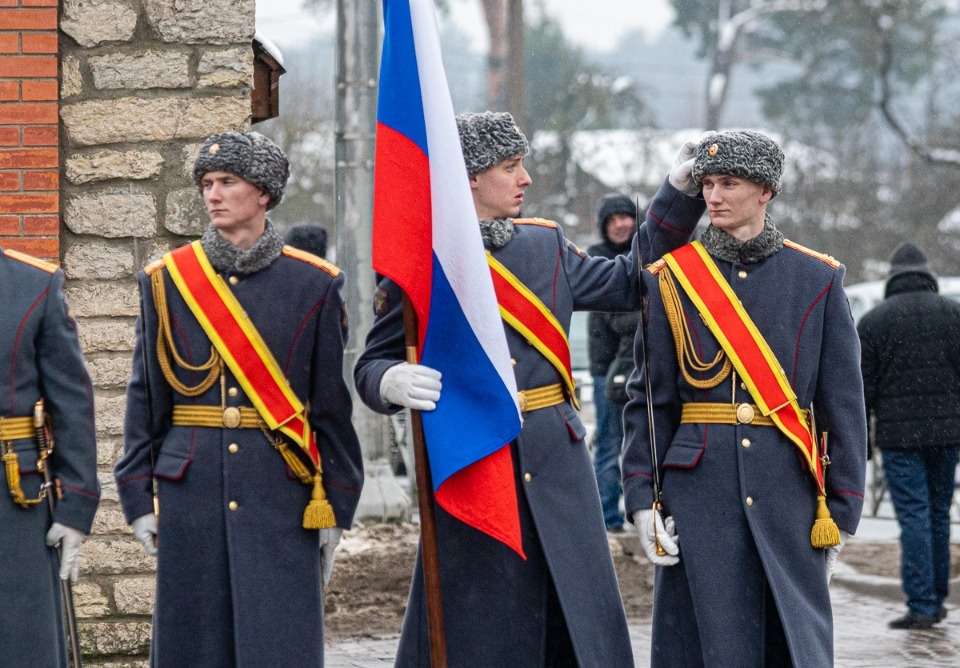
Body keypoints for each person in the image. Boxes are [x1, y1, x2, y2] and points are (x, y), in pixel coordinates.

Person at [355, 111, 707, 666]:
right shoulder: (421, 258)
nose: (525, 178)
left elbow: (631, 280)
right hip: (474, 459)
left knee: (576, 614)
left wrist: (678, 197)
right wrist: (389, 380)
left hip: (555, 456)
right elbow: (372, 364)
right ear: (471, 176)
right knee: (480, 622)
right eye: (510, 166)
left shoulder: (546, 245)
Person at [114, 131, 364, 666]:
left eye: (227, 182)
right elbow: (146, 398)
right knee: (193, 647)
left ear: (264, 193)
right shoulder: (168, 281)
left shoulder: (313, 284)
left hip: (281, 491)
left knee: (278, 644)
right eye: (207, 183)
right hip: (191, 492)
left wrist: (338, 504)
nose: (213, 194)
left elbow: (329, 407)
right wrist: (137, 494)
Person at [621, 130, 868, 666]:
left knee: (790, 645)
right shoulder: (672, 278)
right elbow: (650, 401)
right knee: (706, 646)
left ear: (765, 191)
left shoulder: (817, 279)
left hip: (788, 491)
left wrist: (842, 512)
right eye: (708, 184)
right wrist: (641, 497)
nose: (713, 197)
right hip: (699, 493)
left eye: (729, 183)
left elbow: (843, 405)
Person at [0, 248, 99, 666]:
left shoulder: (33, 285)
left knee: (20, 642)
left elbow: (71, 402)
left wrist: (76, 506)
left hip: (13, 497)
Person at [857, 242, 960, 630]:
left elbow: (862, 390)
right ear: (927, 273)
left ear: (892, 276)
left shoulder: (874, 322)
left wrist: (862, 444)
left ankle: (922, 604)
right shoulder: (953, 314)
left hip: (900, 438)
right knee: (938, 513)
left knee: (914, 515)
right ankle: (937, 597)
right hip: (947, 434)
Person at [586, 193, 640, 532]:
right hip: (605, 370)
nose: (620, 224)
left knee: (648, 443)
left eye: (625, 216)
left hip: (644, 367)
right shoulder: (596, 259)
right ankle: (606, 520)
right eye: (612, 220)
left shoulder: (648, 253)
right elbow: (619, 316)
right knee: (608, 445)